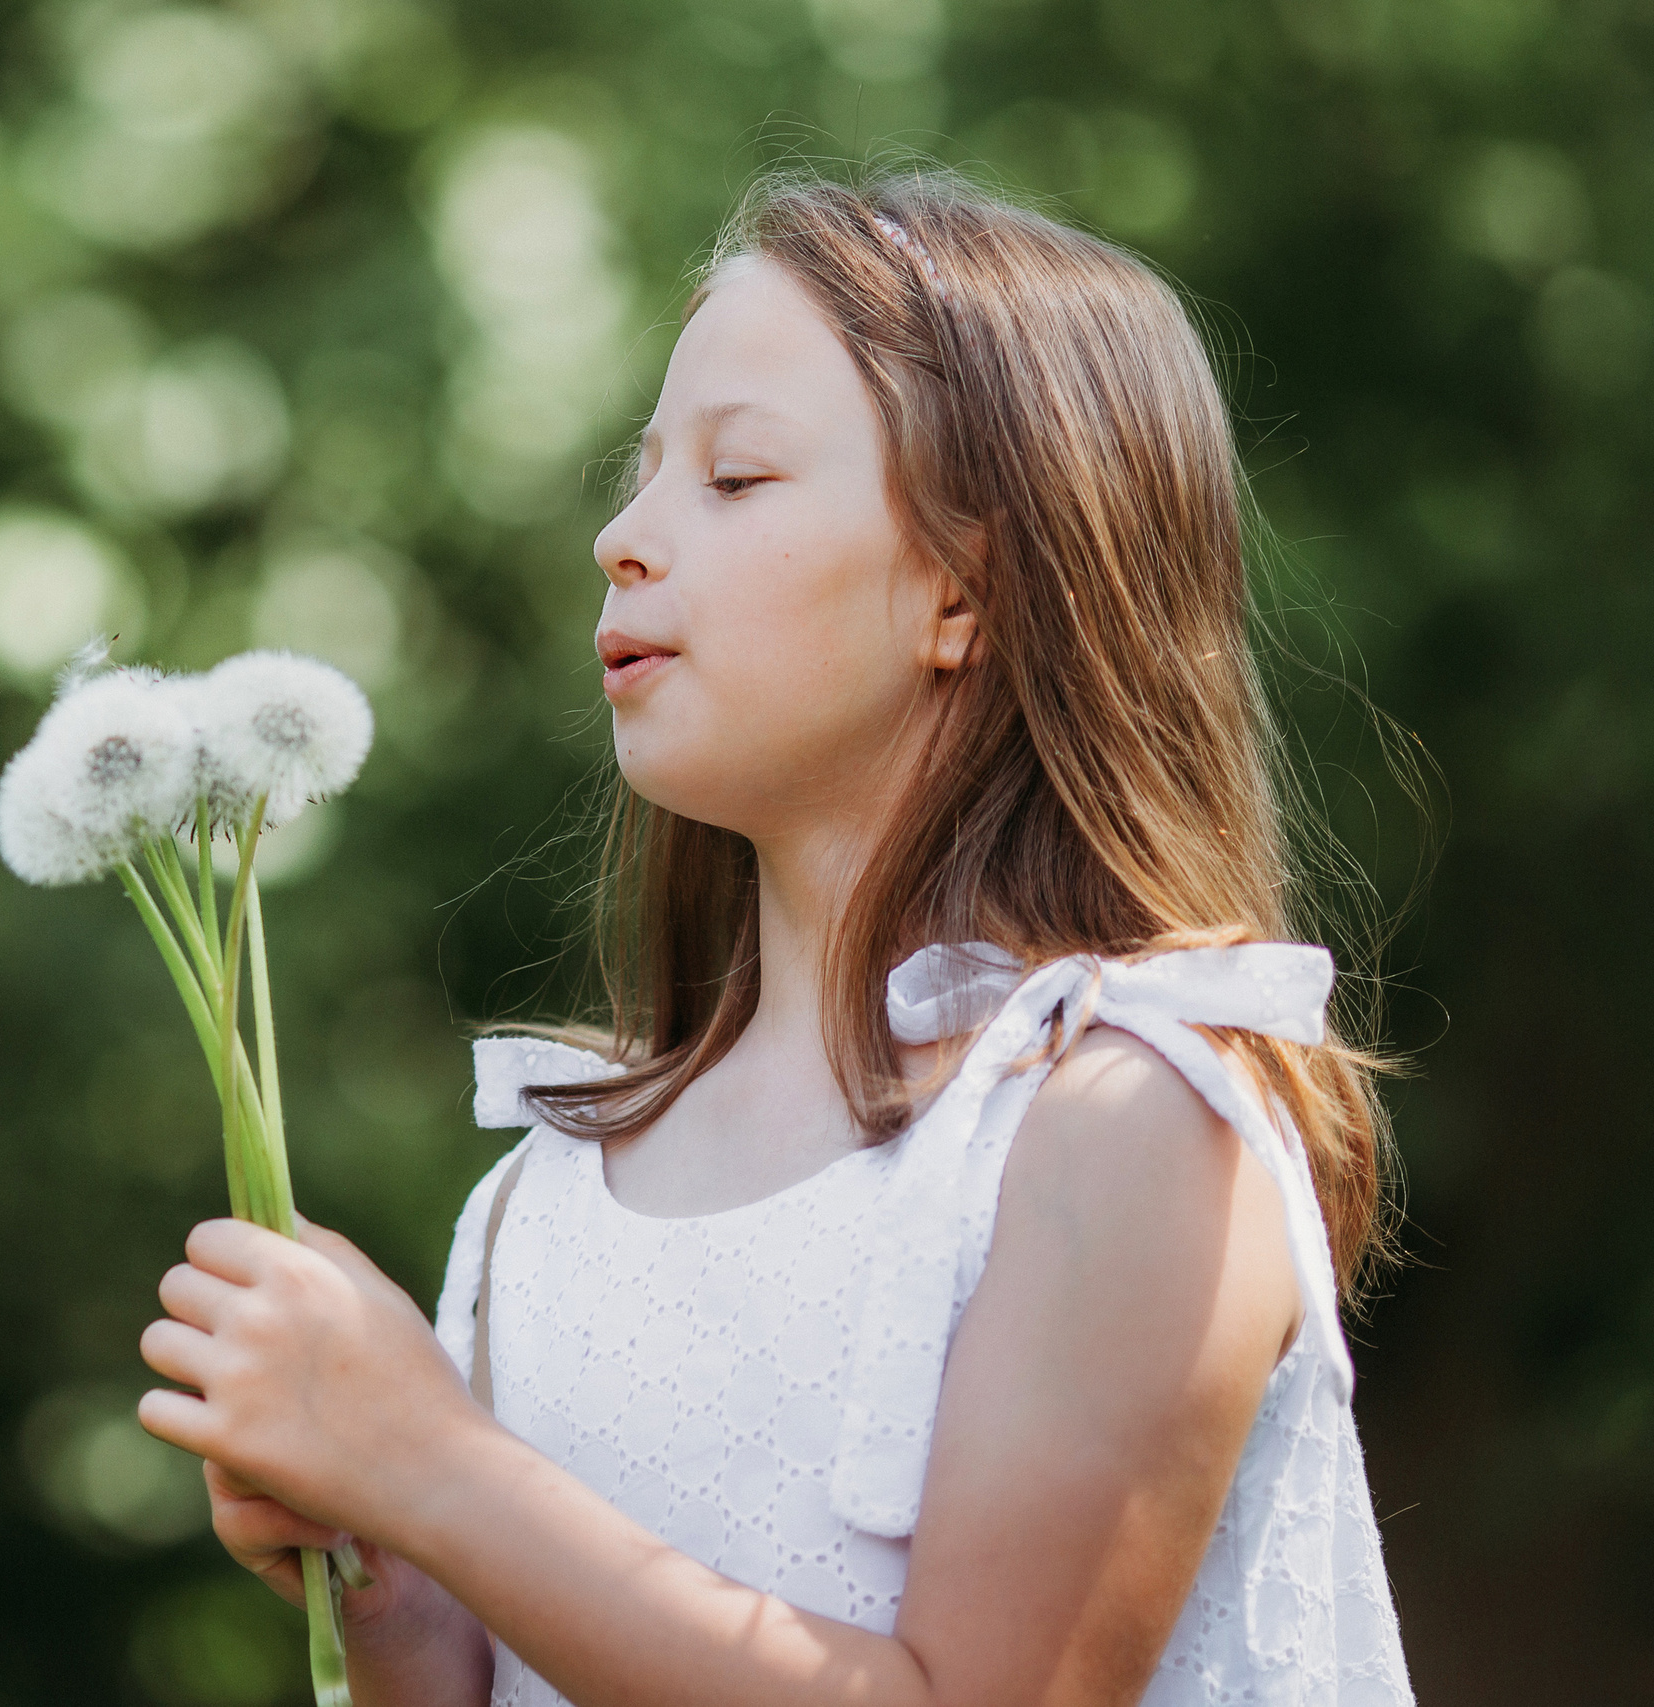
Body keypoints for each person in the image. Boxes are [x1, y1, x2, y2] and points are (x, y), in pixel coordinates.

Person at [133, 168, 1416, 1707]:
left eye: (734, 481)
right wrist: (398, 1583)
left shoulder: (1125, 1119)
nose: (621, 534)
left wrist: (432, 1463)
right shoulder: (544, 1192)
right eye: (641, 473)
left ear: (964, 585)